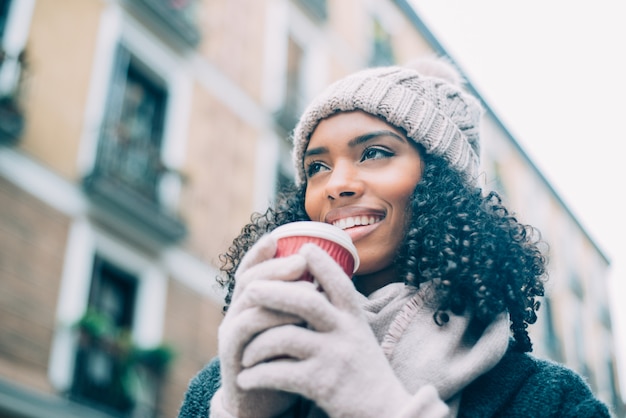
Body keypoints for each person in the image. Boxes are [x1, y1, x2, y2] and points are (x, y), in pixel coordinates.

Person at [178, 57, 611, 418]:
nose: (336, 184)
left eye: (375, 153)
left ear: (441, 184)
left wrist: (381, 406)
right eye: (317, 167)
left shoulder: (548, 399)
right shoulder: (221, 387)